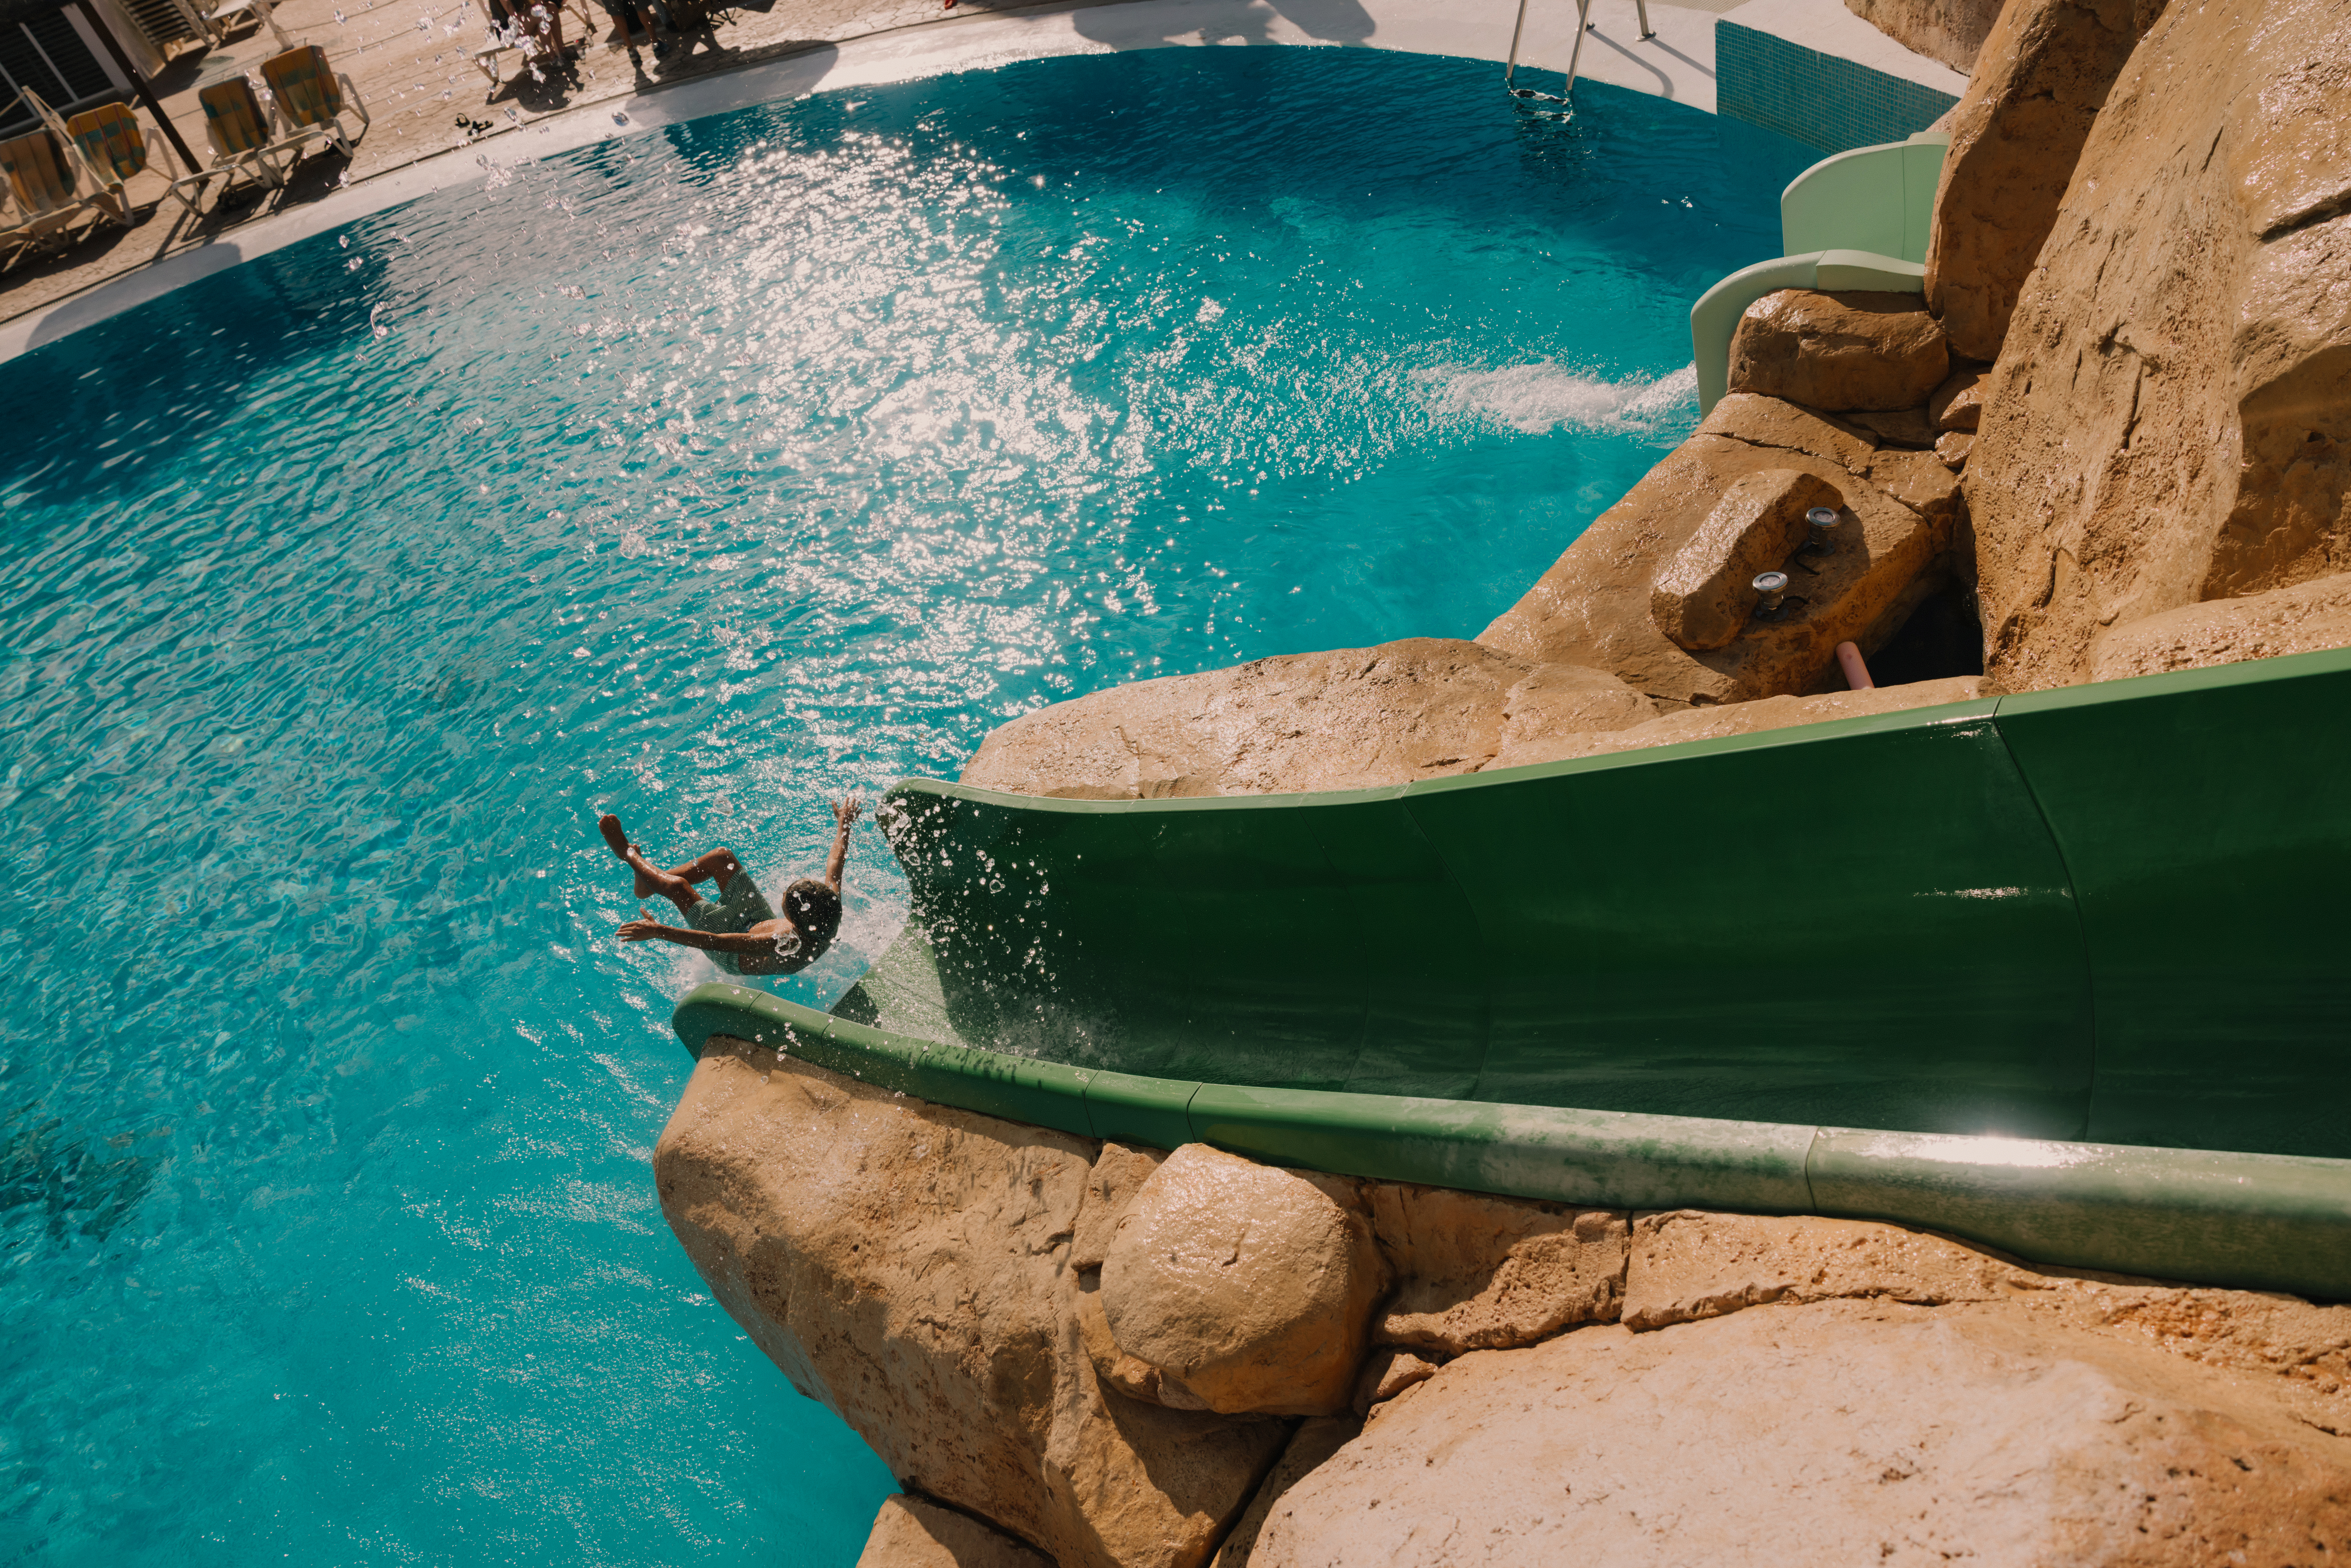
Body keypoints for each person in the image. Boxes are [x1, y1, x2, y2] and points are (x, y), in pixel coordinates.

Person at [602, 798, 860, 975]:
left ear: (793, 920)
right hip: (756, 921)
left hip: (730, 951)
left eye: (785, 897)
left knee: (678, 887)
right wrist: (844, 825)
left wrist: (659, 931)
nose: (782, 893)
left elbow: (716, 942)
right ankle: (649, 884)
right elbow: (835, 865)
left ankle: (628, 856)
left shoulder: (786, 943)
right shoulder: (829, 907)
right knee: (722, 858)